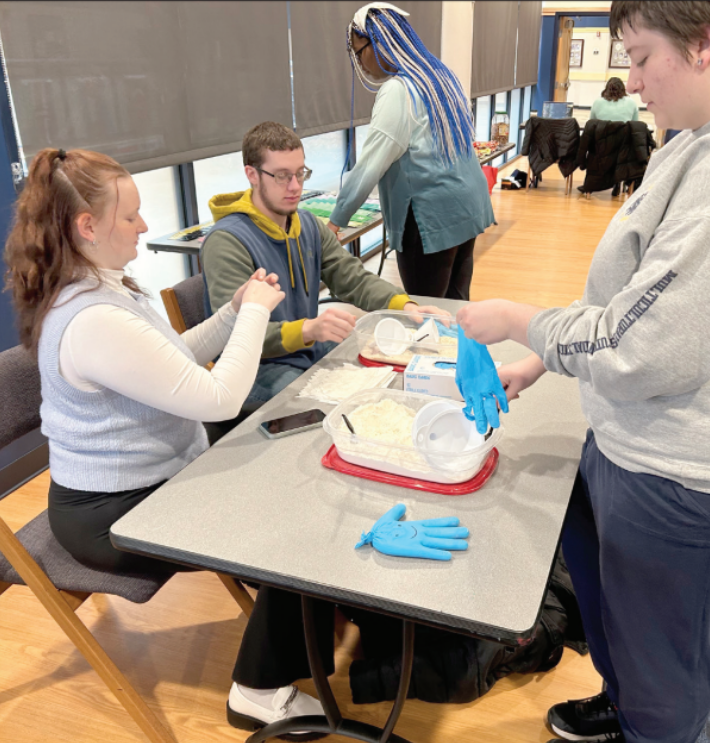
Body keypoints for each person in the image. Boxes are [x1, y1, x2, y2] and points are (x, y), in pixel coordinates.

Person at [456, 2, 710, 742]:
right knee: (623, 617)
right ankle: (623, 700)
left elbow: (645, 349)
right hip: (654, 440)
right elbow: (646, 289)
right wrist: (542, 356)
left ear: (704, 43)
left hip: (695, 469)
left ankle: (647, 720)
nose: (626, 78)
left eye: (637, 55)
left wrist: (517, 319)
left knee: (663, 662)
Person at [3, 147, 284, 578]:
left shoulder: (107, 289)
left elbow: (173, 362)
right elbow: (221, 398)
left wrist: (231, 313)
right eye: (131, 217)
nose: (144, 226)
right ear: (87, 226)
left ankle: (296, 615)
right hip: (110, 514)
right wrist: (254, 314)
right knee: (270, 519)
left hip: (146, 480)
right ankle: (289, 629)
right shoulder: (92, 319)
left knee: (268, 464)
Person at [201, 120, 446, 410]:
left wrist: (405, 305)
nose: (295, 186)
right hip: (255, 371)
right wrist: (308, 330)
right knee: (336, 407)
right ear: (252, 174)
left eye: (300, 173)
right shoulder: (227, 241)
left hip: (303, 351)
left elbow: (352, 278)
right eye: (281, 176)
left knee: (383, 373)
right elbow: (234, 336)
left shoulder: (306, 224)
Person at [326, 2, 495, 301]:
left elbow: (370, 165)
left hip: (432, 216)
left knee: (424, 311)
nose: (359, 62)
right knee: (456, 303)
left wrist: (335, 222)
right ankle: (461, 348)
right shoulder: (440, 77)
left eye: (358, 50)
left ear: (380, 43)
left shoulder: (398, 90)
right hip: (468, 205)